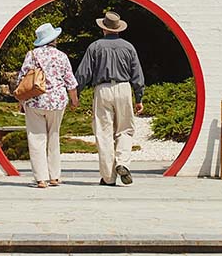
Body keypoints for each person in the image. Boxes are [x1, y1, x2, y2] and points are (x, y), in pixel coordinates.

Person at [75, 11, 145, 186]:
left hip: (102, 89)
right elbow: (137, 74)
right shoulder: (129, 47)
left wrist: (76, 94)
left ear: (103, 29)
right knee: (125, 129)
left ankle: (108, 177)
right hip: (123, 87)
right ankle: (122, 163)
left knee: (103, 132)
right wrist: (139, 97)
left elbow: (84, 73)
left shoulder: (95, 46)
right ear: (118, 29)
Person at [15, 22, 79, 189]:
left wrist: (21, 101)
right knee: (54, 137)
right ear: (54, 39)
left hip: (35, 101)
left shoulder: (32, 55)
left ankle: (41, 179)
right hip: (57, 102)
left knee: (36, 139)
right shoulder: (62, 56)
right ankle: (55, 176)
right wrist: (74, 100)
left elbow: (23, 80)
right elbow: (70, 81)